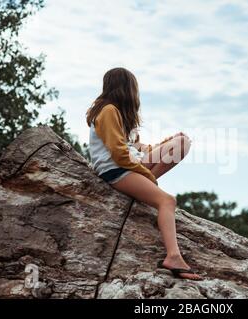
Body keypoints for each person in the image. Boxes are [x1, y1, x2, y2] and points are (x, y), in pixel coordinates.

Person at [86, 67, 202, 280]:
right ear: (127, 88)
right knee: (167, 201)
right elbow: (120, 154)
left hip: (124, 167)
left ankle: (146, 189)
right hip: (116, 170)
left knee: (181, 143)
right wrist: (147, 176)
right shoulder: (109, 111)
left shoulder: (117, 114)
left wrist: (167, 142)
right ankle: (173, 256)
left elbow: (137, 149)